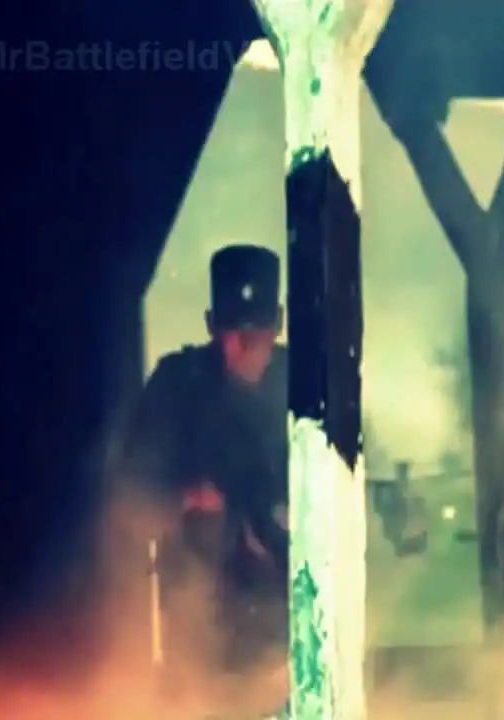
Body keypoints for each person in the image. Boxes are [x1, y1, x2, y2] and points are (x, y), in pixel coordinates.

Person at [112, 243, 289, 702]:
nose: (245, 348)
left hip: (284, 621)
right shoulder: (177, 388)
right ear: (211, 325)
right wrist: (185, 499)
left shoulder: (301, 386)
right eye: (234, 333)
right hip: (198, 623)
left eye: (258, 334)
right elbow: (129, 498)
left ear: (279, 323)